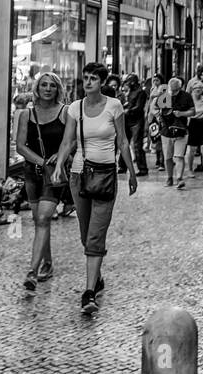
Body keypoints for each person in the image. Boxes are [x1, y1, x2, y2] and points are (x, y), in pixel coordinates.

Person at [51, 64, 138, 315]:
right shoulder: (75, 108)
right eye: (85, 78)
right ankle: (97, 277)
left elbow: (122, 140)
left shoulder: (114, 106)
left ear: (102, 82)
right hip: (79, 175)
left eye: (93, 79)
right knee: (85, 234)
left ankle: (88, 292)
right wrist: (59, 166)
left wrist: (131, 171)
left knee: (96, 235)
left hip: (106, 176)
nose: (87, 82)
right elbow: (68, 141)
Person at [15, 71, 66, 291]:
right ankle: (48, 262)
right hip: (32, 172)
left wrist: (61, 156)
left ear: (57, 89)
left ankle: (32, 272)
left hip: (54, 174)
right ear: (37, 88)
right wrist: (41, 161)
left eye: (52, 86)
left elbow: (71, 140)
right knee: (39, 220)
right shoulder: (27, 114)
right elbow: (20, 146)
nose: (47, 89)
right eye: (44, 85)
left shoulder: (65, 112)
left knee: (44, 218)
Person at [158, 76, 195, 188]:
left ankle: (179, 178)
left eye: (175, 90)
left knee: (179, 156)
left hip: (181, 130)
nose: (173, 93)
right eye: (171, 90)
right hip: (166, 131)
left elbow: (193, 112)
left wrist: (181, 114)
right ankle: (169, 178)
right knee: (168, 157)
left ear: (180, 88)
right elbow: (156, 110)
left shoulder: (186, 96)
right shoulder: (164, 96)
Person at [120, 73, 149, 179]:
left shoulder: (140, 92)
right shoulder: (129, 92)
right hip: (128, 120)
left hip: (137, 121)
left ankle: (142, 168)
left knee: (137, 145)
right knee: (124, 143)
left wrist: (128, 111)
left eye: (128, 82)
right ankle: (122, 166)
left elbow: (139, 107)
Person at [186, 73, 203, 182]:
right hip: (193, 124)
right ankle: (190, 169)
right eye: (196, 89)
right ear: (192, 90)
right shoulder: (188, 99)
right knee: (192, 149)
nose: (198, 91)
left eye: (200, 89)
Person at [146, 75, 166, 173]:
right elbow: (150, 102)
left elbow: (164, 103)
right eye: (154, 80)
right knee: (155, 138)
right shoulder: (152, 89)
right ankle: (158, 159)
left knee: (160, 140)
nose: (155, 82)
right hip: (152, 117)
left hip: (159, 116)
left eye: (157, 80)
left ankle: (162, 161)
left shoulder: (164, 88)